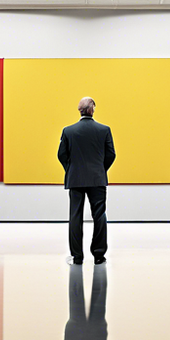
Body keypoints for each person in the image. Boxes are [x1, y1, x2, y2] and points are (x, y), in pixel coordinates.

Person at [58, 97, 116, 265]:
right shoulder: (104, 130)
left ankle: (77, 256)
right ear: (93, 110)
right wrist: (100, 169)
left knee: (75, 216)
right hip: (97, 178)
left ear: (79, 110)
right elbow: (111, 154)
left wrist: (71, 169)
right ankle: (99, 255)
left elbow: (61, 155)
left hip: (75, 179)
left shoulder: (68, 131)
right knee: (99, 215)